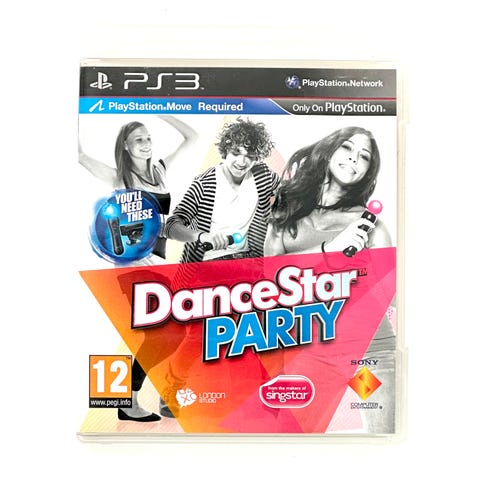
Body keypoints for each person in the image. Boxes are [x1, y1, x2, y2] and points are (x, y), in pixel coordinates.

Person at [264, 126, 396, 434]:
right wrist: (329, 251)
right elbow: (272, 279)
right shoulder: (285, 214)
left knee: (382, 436)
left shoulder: (371, 227)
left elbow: (391, 293)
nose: (354, 159)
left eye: (364, 156)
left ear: (367, 171)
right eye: (347, 148)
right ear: (329, 150)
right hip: (313, 352)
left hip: (369, 356)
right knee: (293, 438)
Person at [79, 115, 198, 422]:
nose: (145, 144)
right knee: (165, 333)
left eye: (148, 138)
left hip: (158, 264)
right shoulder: (119, 177)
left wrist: (161, 110)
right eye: (138, 140)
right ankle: (131, 400)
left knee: (172, 333)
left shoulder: (159, 170)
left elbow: (192, 137)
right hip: (131, 267)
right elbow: (78, 155)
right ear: (126, 147)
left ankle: (139, 398)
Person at [161, 118, 281, 416]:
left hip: (246, 264)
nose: (242, 161)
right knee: (199, 335)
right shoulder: (205, 183)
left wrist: (282, 204)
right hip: (206, 267)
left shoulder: (262, 176)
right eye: (236, 152)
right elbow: (171, 225)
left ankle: (263, 392)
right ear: (225, 150)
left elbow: (287, 193)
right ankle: (172, 387)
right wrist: (200, 236)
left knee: (258, 329)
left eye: (250, 155)